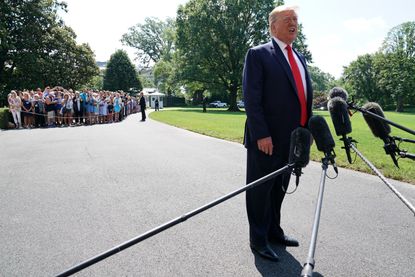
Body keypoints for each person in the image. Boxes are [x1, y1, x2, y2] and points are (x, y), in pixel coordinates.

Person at [242, 5, 313, 262]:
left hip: (292, 140)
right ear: (273, 26)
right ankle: (258, 239)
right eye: (288, 19)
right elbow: (251, 98)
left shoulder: (300, 57)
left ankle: (274, 231)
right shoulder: (259, 54)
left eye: (296, 18)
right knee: (260, 190)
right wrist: (261, 134)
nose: (294, 22)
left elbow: (302, 97)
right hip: (267, 139)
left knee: (279, 190)